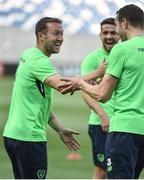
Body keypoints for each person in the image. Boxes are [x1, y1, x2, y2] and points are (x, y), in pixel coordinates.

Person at [59, 4, 144, 179]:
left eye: (116, 25)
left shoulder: (122, 49)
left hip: (125, 130)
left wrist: (80, 82)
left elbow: (102, 95)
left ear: (124, 23)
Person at [3, 17, 81, 179]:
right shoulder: (39, 60)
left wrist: (60, 129)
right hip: (29, 139)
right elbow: (62, 86)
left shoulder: (29, 53)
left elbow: (40, 104)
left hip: (13, 135)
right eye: (56, 33)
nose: (60, 38)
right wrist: (97, 75)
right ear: (41, 36)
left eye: (62, 33)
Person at [80, 17, 119, 179]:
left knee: (120, 170)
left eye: (113, 32)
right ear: (100, 35)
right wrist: (103, 116)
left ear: (120, 34)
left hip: (123, 123)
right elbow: (84, 91)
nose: (109, 36)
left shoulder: (123, 54)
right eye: (105, 32)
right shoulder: (92, 58)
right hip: (100, 125)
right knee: (102, 171)